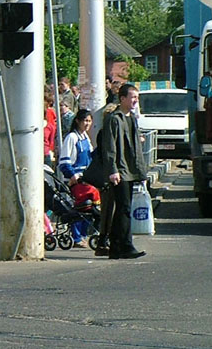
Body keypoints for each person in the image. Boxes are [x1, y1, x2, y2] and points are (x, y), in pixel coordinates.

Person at [101, 84, 148, 260]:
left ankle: (116, 246)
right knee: (124, 208)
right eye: (132, 97)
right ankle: (124, 245)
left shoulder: (131, 118)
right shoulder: (115, 119)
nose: (135, 100)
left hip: (131, 169)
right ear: (122, 98)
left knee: (123, 208)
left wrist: (141, 171)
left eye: (137, 97)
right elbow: (110, 147)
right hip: (120, 170)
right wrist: (113, 170)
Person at [58, 108, 97, 247]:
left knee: (89, 208)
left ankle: (83, 234)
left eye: (89, 121)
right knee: (79, 208)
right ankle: (76, 237)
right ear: (78, 121)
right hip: (74, 180)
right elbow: (64, 162)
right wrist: (72, 175)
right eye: (85, 121)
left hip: (86, 179)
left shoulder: (85, 137)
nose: (87, 124)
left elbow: (91, 156)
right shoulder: (72, 138)